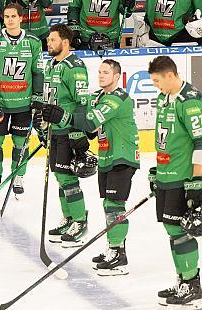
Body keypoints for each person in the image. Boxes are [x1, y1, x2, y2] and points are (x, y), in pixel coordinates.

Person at [71, 59, 139, 276]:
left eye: (106, 72)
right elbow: (90, 130)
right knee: (108, 204)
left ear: (117, 76)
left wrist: (64, 116)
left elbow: (90, 122)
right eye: (99, 72)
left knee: (114, 205)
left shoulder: (118, 98)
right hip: (106, 156)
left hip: (122, 156)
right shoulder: (99, 97)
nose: (101, 76)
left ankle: (118, 254)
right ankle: (114, 247)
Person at [148, 55, 202, 306]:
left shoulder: (189, 101)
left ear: (171, 75)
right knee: (172, 230)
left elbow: (200, 142)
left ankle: (192, 284)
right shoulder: (163, 98)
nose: (155, 85)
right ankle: (184, 281)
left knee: (180, 231)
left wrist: (197, 184)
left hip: (183, 177)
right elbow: (166, 138)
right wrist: (156, 169)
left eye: (158, 80)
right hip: (167, 175)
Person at [0, 3, 44, 195]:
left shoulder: (33, 41)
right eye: (6, 17)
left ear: (21, 18)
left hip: (23, 103)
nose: (10, 20)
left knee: (21, 143)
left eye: (13, 16)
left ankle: (18, 176)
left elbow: (38, 71)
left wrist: (38, 96)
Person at [39, 24, 91, 246]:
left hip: (68, 131)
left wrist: (78, 133)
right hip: (54, 131)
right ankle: (69, 218)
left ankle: (80, 221)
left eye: (52, 40)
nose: (48, 44)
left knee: (69, 179)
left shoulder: (75, 67)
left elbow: (83, 103)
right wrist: (41, 124)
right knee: (61, 178)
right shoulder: (51, 65)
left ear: (65, 42)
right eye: (48, 40)